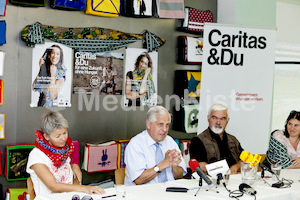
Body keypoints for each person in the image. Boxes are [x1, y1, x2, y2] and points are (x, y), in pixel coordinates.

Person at [26, 112, 105, 196]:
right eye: (57, 136)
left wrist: (74, 165)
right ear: (46, 136)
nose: (63, 138)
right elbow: (53, 186)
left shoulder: (64, 150)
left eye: (65, 133)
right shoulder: (37, 155)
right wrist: (85, 188)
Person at [124, 106, 187, 186]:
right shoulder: (136, 144)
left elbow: (180, 176)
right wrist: (164, 164)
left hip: (170, 193)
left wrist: (174, 166)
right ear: (149, 124)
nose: (164, 129)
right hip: (143, 194)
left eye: (167, 125)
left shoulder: (170, 142)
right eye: (160, 124)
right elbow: (138, 180)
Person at [189, 104, 243, 174]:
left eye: (222, 119)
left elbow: (244, 160)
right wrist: (221, 171)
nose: (218, 122)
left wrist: (236, 166)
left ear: (227, 121)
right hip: (211, 181)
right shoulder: (197, 141)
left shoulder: (233, 140)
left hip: (235, 180)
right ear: (208, 119)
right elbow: (199, 165)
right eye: (214, 118)